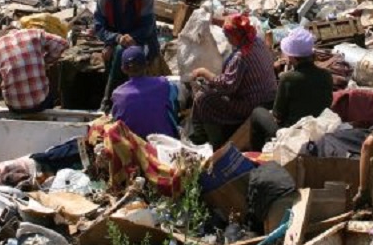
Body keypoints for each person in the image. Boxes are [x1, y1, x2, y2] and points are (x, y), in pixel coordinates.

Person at [189, 13, 277, 148]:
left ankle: (214, 142)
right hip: (268, 96)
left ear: (236, 36)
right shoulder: (257, 41)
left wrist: (204, 73)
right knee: (208, 89)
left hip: (251, 104)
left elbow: (227, 86)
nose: (227, 39)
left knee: (203, 99)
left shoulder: (241, 57)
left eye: (228, 36)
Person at [249, 26, 334, 151]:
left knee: (257, 112)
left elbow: (278, 115)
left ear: (293, 57)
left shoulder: (288, 78)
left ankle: (257, 155)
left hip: (293, 133)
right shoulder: (326, 75)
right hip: (319, 127)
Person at [93, 0, 159, 109]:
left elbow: (148, 27)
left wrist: (132, 38)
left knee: (121, 51)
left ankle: (108, 101)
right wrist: (114, 39)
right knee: (115, 51)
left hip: (143, 42)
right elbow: (99, 27)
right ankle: (116, 98)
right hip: (118, 42)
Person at [0, 26, 69, 114]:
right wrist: (45, 61)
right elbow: (62, 44)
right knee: (51, 86)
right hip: (40, 104)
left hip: (14, 107)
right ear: (18, 30)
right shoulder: (34, 33)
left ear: (1, 36)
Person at [111, 46, 179, 139]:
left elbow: (116, 121)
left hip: (135, 148)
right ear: (146, 64)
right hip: (164, 144)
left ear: (123, 69)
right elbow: (176, 102)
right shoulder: (164, 84)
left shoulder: (118, 94)